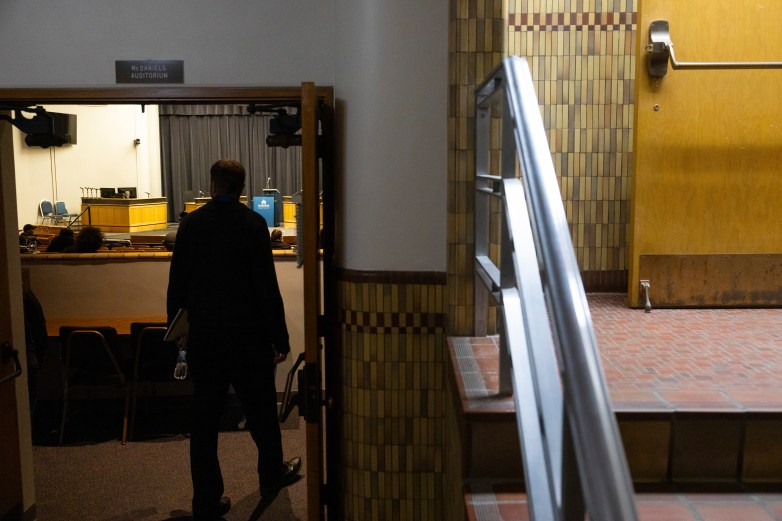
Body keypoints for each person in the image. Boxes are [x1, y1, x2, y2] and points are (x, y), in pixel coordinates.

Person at [167, 159, 301, 520]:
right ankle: (271, 473)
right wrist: (280, 339)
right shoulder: (253, 224)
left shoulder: (191, 225)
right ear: (242, 188)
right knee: (260, 412)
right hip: (248, 339)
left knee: (204, 420)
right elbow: (266, 289)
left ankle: (206, 501)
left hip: (205, 340)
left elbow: (176, 285)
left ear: (213, 185)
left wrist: (177, 334)